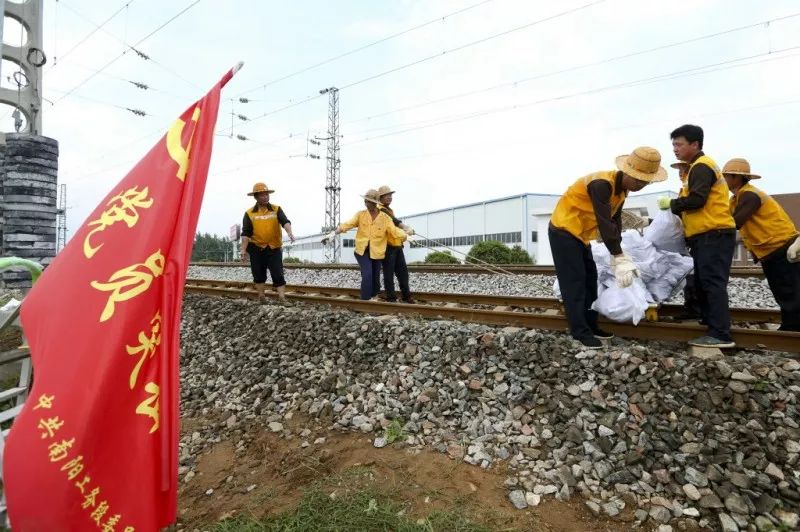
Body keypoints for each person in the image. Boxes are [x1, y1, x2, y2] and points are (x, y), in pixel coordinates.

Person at [550, 146, 667, 348]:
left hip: (580, 235)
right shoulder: (602, 184)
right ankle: (580, 332)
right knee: (574, 282)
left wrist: (617, 252)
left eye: (645, 182)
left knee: (590, 280)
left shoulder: (622, 190)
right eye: (638, 179)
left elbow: (615, 221)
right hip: (563, 230)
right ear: (627, 172)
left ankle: (591, 325)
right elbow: (604, 222)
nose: (641, 184)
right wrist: (618, 255)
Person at [658, 124, 736, 348]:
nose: (675, 149)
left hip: (714, 233)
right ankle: (712, 324)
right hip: (707, 235)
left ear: (695, 144)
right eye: (673, 144)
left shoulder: (701, 167)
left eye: (679, 144)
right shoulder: (696, 167)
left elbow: (697, 200)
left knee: (712, 282)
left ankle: (721, 334)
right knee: (704, 282)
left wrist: (672, 204)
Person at [722, 158, 800, 331]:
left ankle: (793, 328)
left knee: (789, 290)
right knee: (783, 290)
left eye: (726, 176)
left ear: (736, 177)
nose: (724, 180)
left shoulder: (750, 195)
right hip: (770, 251)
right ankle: (791, 326)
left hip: (781, 247)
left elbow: (736, 222)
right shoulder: (736, 199)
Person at [322, 189, 407, 300]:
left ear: (376, 203)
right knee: (367, 274)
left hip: (377, 251)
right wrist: (333, 233)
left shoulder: (385, 218)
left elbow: (394, 231)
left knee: (375, 278)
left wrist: (406, 235)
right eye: (366, 201)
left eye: (370, 202)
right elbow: (348, 224)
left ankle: (374, 297)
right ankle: (365, 300)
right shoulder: (360, 215)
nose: (367, 204)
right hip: (362, 251)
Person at [240, 182, 295, 301]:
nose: (265, 197)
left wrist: (289, 232)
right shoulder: (249, 213)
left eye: (266, 194)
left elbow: (285, 221)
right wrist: (243, 250)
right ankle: (261, 296)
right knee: (258, 274)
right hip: (256, 247)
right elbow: (246, 233)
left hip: (274, 247)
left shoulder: (276, 209)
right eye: (262, 195)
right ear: (256, 197)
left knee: (278, 273)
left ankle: (282, 298)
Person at [671, 161, 702, 321]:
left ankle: (697, 309)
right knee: (690, 274)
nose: (681, 172)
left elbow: (687, 206)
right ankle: (692, 308)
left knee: (695, 275)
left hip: (701, 235)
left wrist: (672, 205)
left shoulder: (692, 189)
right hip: (691, 237)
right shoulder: (684, 188)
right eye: (680, 170)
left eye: (684, 169)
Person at [376, 185, 416, 303]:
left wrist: (404, 232)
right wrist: (405, 228)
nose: (389, 197)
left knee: (403, 272)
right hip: (388, 246)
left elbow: (394, 222)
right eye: (387, 195)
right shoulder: (381, 210)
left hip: (397, 245)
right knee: (389, 274)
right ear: (380, 198)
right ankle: (391, 298)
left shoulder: (388, 209)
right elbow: (395, 222)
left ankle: (406, 295)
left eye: (390, 195)